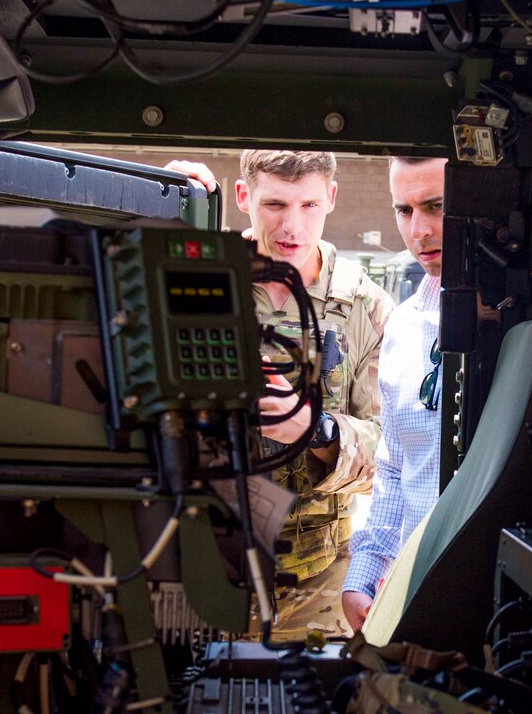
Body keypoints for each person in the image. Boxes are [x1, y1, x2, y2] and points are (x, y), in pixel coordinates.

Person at [167, 151, 392, 635]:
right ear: (243, 196)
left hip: (319, 582)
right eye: (274, 204)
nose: (292, 225)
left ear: (331, 198)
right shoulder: (201, 278)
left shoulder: (365, 305)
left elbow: (395, 457)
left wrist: (316, 429)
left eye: (309, 205)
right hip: (206, 569)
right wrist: (159, 213)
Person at [340, 156, 446, 632]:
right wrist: (363, 578)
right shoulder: (402, 328)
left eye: (436, 206)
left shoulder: (522, 328)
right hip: (415, 596)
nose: (418, 230)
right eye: (404, 211)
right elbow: (395, 471)